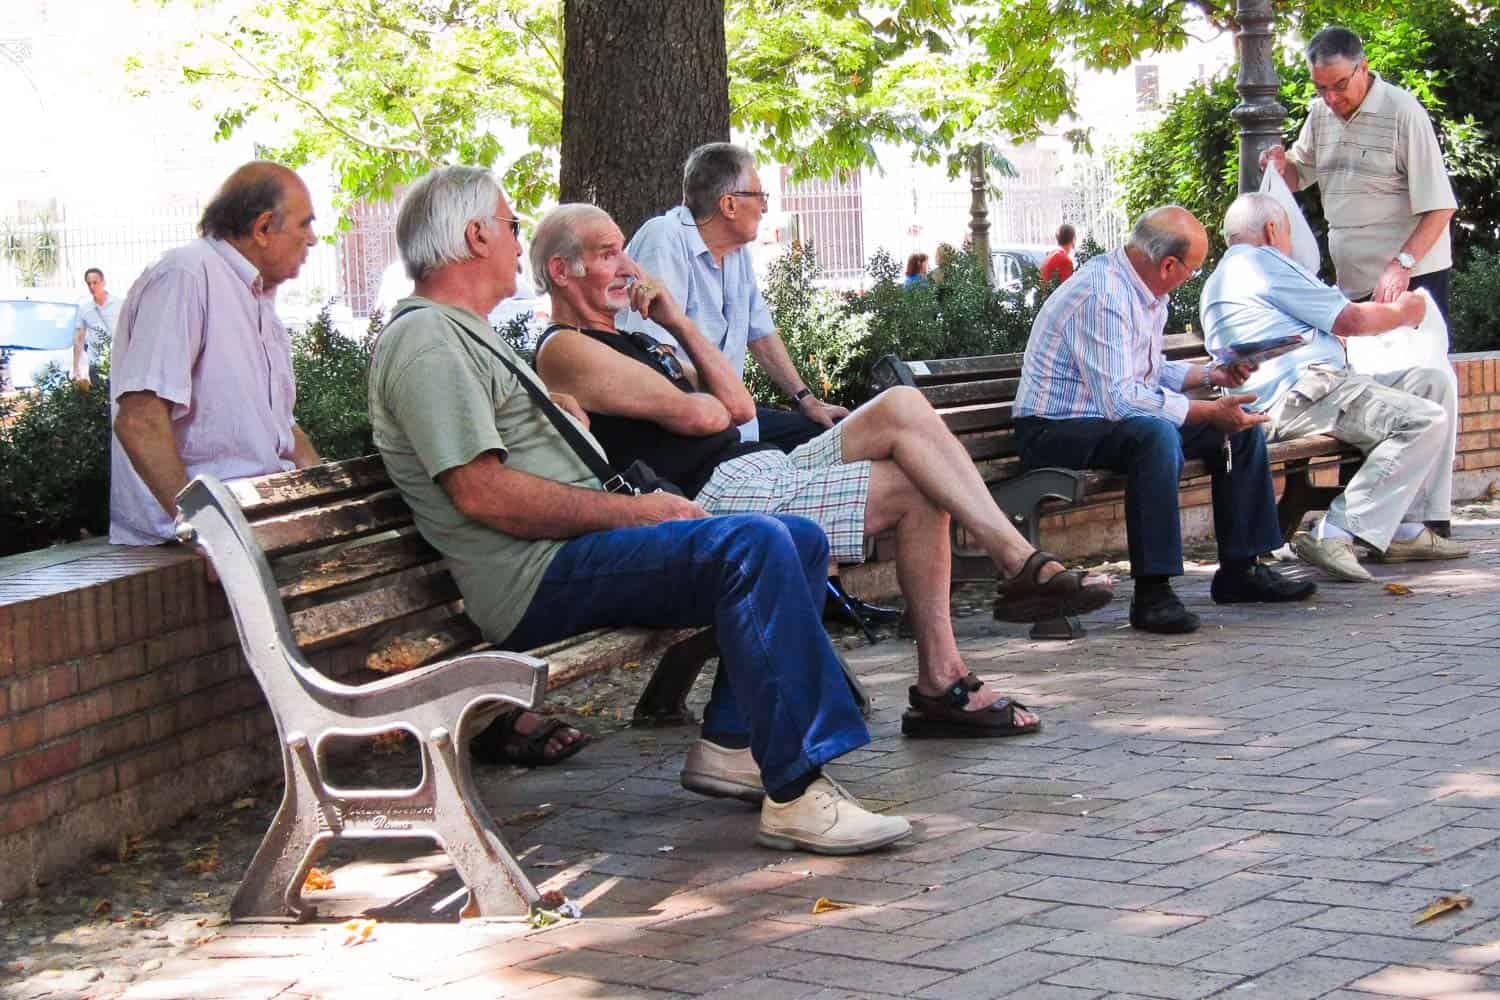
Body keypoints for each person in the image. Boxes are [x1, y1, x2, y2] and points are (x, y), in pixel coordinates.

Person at [368, 166, 911, 855]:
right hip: (534, 575)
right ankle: (800, 790)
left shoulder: (463, 334)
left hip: (562, 554)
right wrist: (633, 514)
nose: (514, 242)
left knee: (796, 538)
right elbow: (482, 493)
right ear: (476, 236)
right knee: (754, 547)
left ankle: (734, 746)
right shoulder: (428, 342)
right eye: (509, 227)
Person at [531, 203, 1115, 741]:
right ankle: (961, 653)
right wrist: (701, 396)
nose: (627, 267)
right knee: (918, 487)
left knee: (904, 409)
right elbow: (715, 412)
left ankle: (1008, 576)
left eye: (622, 252)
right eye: (608, 253)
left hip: (756, 468)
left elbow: (733, 405)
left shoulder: (637, 340)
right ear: (562, 270)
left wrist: (678, 321)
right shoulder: (566, 348)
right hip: (716, 497)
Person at [1013, 206, 1318, 635]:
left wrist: (1212, 375)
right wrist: (1206, 409)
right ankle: (1152, 592)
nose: (1188, 278)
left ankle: (1241, 569)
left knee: (1238, 430)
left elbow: (1147, 370)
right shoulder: (1104, 294)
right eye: (1191, 270)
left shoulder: (1146, 291)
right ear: (1168, 264)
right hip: (1053, 428)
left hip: (1101, 418)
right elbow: (1122, 400)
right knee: (1156, 436)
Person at [1201, 193, 1466, 580]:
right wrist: (1405, 313)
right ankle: (1336, 531)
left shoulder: (1225, 273)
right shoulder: (1263, 262)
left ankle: (1406, 528)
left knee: (1431, 382)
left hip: (1309, 389)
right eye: (1290, 233)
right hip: (1303, 393)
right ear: (1273, 230)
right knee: (1424, 419)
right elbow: (1351, 320)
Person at [110, 161, 323, 546]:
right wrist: (206, 533)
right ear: (262, 228)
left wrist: (327, 498)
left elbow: (282, 430)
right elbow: (140, 420)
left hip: (258, 517)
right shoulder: (186, 274)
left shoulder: (256, 296)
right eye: (305, 224)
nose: (313, 239)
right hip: (198, 538)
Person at [621, 142, 842, 453]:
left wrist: (806, 399)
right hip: (684, 430)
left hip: (736, 421)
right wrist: (713, 406)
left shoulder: (736, 253)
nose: (765, 207)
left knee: (836, 434)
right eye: (760, 196)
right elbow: (654, 355)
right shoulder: (665, 237)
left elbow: (761, 335)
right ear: (729, 205)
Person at [1260, 26, 1457, 319]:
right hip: (1352, 282)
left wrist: (1402, 264)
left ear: (1363, 67)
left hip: (1409, 277)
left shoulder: (1403, 112)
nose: (1331, 99)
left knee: (1413, 365)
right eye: (1321, 88)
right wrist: (1278, 166)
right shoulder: (1319, 114)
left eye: (1339, 85)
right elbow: (1297, 175)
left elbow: (1441, 206)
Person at [73, 267, 121, 388]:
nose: (92, 286)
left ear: (103, 282)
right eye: (89, 283)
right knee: (99, 402)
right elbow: (79, 338)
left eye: (95, 282)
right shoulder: (84, 309)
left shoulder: (119, 304)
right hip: (95, 364)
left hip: (117, 362)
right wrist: (75, 366)